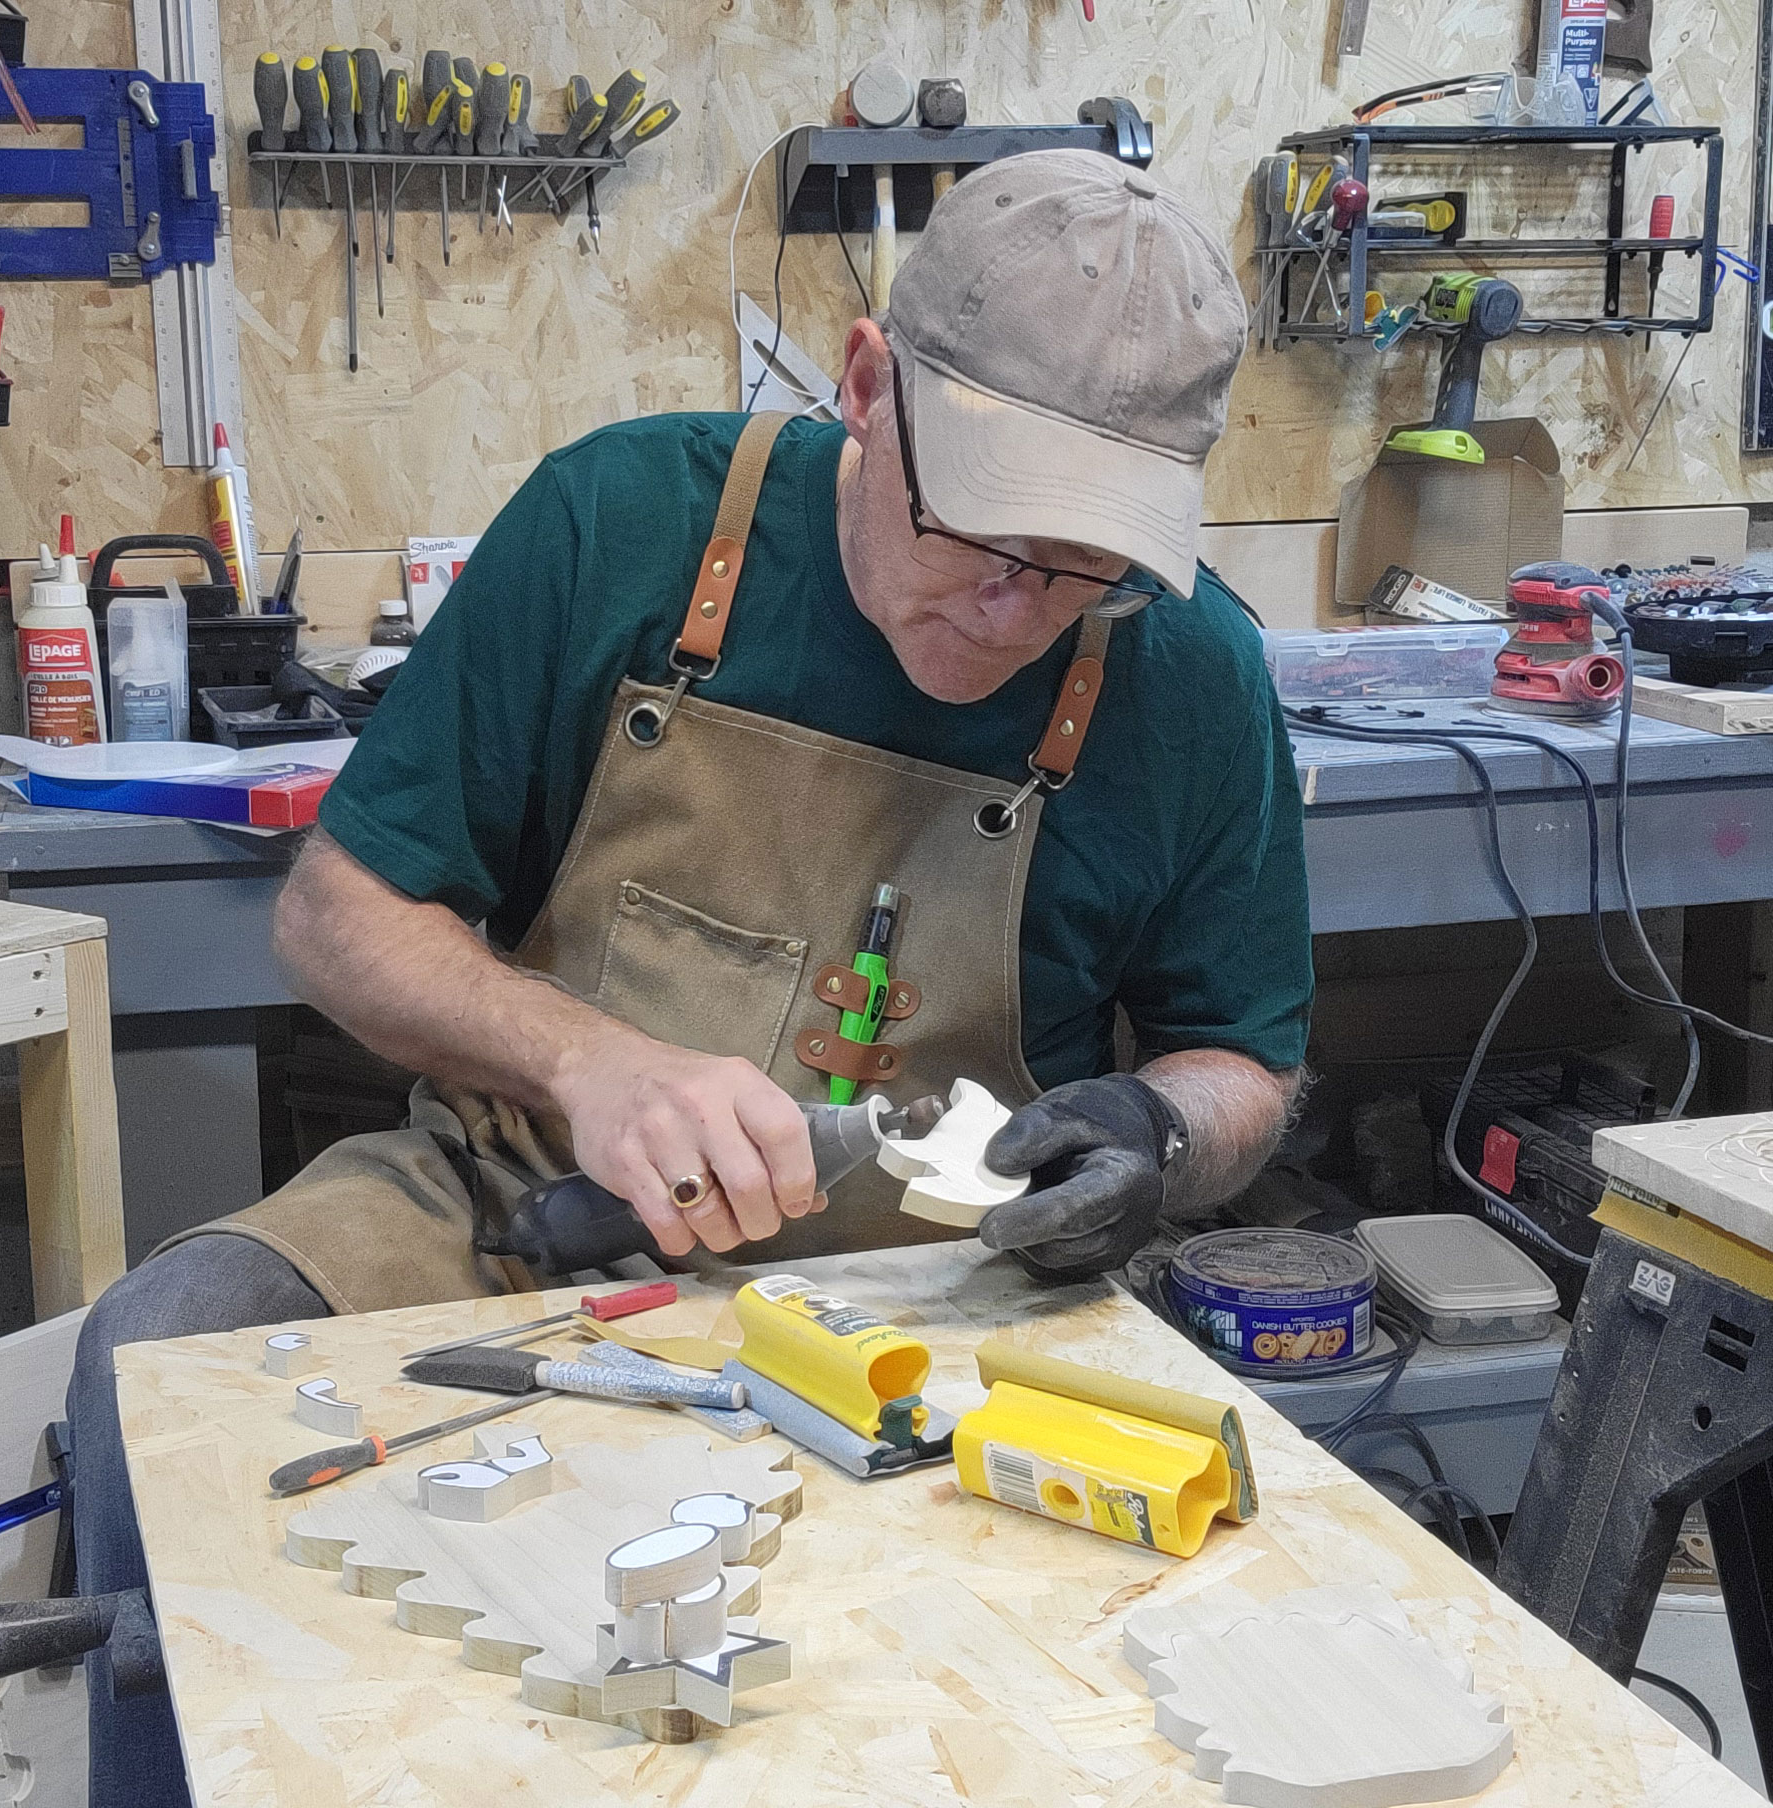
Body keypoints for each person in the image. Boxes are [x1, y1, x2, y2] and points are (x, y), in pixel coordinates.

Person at [68, 148, 1311, 1804]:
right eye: (981, 527)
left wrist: (1154, 1133)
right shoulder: (624, 524)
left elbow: (1248, 1061)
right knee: (165, 1351)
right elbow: (336, 916)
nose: (1018, 606)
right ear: (867, 388)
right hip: (518, 1218)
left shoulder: (1194, 673)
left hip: (943, 1300)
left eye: (1085, 563)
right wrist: (590, 1068)